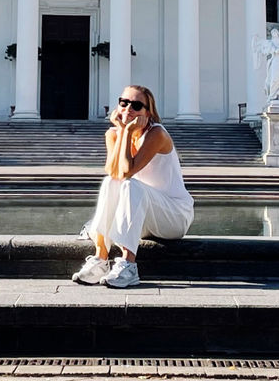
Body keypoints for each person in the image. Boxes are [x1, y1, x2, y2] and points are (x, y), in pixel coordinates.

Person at [73, 85, 193, 289]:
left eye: (137, 105)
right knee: (112, 181)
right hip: (142, 215)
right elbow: (113, 172)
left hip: (173, 216)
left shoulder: (157, 134)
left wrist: (127, 131)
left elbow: (128, 171)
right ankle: (100, 258)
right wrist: (121, 133)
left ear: (148, 112)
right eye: (124, 102)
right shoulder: (112, 134)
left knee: (129, 184)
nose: (128, 108)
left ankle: (128, 265)